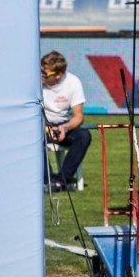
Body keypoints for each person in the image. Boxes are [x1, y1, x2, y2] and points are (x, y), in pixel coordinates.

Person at [41, 50, 92, 191]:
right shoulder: (35, 82)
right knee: (34, 136)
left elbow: (78, 116)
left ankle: (61, 181)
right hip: (40, 125)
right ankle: (46, 180)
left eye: (45, 74)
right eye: (41, 71)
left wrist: (64, 128)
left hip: (62, 125)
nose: (41, 76)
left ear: (58, 76)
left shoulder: (73, 83)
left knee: (84, 136)